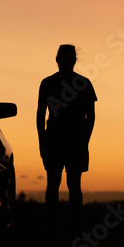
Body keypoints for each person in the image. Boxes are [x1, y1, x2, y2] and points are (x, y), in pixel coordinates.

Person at [36, 44, 97, 235]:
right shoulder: (84, 83)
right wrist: (84, 139)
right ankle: (74, 229)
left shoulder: (47, 83)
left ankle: (54, 228)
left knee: (54, 183)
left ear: (57, 60)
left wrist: (42, 139)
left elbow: (40, 115)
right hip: (73, 140)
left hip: (56, 139)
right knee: (72, 184)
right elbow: (91, 117)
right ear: (74, 60)